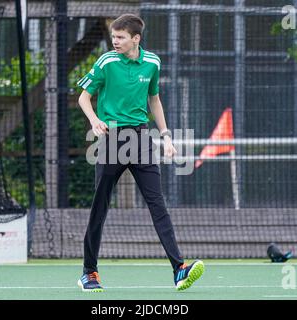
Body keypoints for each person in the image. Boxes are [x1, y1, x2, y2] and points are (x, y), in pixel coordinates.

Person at [76, 13, 204, 292]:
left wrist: (167, 136)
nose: (115, 42)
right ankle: (89, 271)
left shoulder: (153, 62)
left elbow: (154, 100)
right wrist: (94, 120)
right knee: (100, 206)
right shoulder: (107, 61)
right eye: (113, 37)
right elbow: (84, 97)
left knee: (157, 204)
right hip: (111, 138)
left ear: (136, 38)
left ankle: (179, 269)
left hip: (142, 138)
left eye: (120, 37)